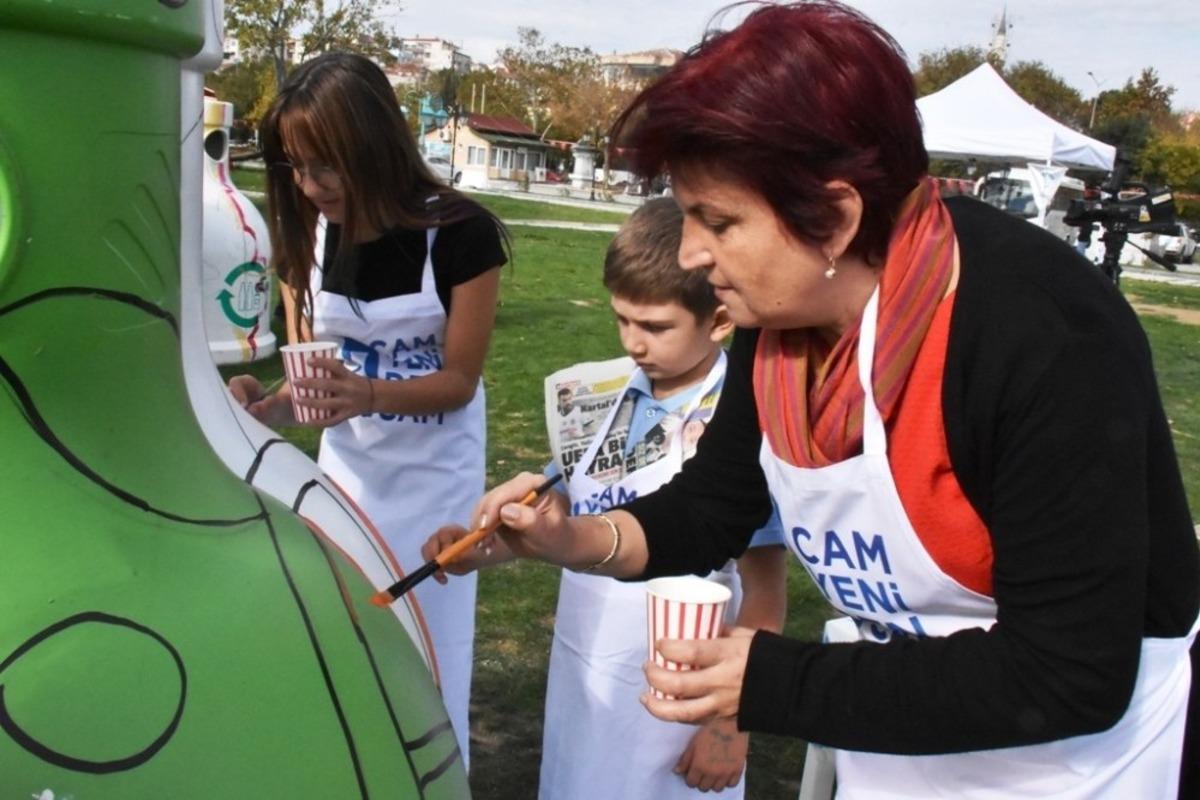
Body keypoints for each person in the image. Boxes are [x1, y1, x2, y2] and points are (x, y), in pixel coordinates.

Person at [424, 3, 1200, 798]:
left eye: (717, 222)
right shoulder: (783, 318)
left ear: (831, 217)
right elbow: (714, 508)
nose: (692, 253)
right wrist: (572, 539)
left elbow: (1071, 671)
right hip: (904, 739)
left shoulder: (1041, 331)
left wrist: (769, 680)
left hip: (1074, 767)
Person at [425, 199, 787, 796]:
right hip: (587, 672)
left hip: (684, 692)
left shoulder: (741, 422)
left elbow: (768, 591)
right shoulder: (598, 399)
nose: (633, 342)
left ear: (720, 320)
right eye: (622, 320)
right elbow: (560, 524)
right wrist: (481, 549)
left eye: (656, 327)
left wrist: (730, 723)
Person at [227, 52, 508, 768]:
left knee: (429, 659)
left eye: (326, 166)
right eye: (296, 166)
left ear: (374, 149)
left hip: (435, 487)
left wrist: (371, 393)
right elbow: (313, 393)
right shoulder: (307, 239)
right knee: (345, 648)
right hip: (346, 487)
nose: (311, 185)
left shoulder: (464, 236)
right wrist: (270, 409)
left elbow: (459, 381)